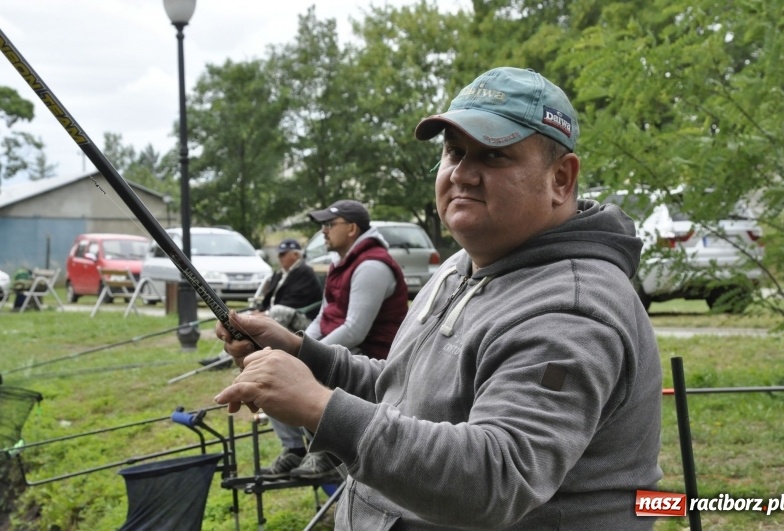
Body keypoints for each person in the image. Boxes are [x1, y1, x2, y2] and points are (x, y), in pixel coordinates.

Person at [214, 67, 662, 530]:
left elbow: (496, 478)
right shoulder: (461, 266)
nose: (462, 173)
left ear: (561, 179)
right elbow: (405, 390)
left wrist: (319, 407)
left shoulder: (571, 309)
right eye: (454, 152)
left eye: (493, 155)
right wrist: (304, 355)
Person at [259, 199, 409, 481]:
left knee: (294, 373)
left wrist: (309, 356)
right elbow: (323, 317)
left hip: (371, 357)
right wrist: (297, 346)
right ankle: (294, 449)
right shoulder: (341, 263)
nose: (324, 231)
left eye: (330, 224)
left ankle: (327, 453)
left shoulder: (372, 265)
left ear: (352, 228)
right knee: (272, 368)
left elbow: (355, 330)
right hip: (347, 348)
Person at [199, 238, 321, 369]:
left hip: (302, 318)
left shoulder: (305, 272)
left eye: (283, 254)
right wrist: (259, 310)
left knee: (277, 311)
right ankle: (226, 356)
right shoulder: (280, 273)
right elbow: (269, 299)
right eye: (279, 254)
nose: (280, 257)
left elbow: (296, 301)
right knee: (242, 317)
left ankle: (239, 357)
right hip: (277, 313)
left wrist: (266, 313)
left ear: (295, 255)